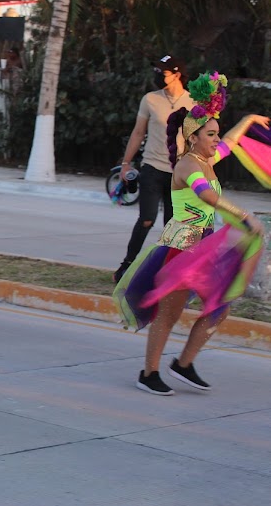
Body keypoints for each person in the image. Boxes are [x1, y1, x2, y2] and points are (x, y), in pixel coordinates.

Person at [113, 71, 268, 396]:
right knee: (169, 315)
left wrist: (249, 119)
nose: (216, 139)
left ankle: (184, 363)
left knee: (219, 307)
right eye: (210, 134)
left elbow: (232, 142)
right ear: (194, 137)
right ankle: (149, 372)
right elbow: (207, 196)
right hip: (180, 247)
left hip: (205, 246)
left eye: (216, 134)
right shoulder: (187, 165)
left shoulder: (207, 158)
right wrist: (243, 216)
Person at [112, 55, 195, 282]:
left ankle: (166, 272)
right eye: (157, 71)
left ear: (177, 75)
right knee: (147, 219)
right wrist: (126, 163)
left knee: (172, 226)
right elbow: (138, 133)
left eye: (163, 72)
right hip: (152, 168)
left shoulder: (193, 103)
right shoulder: (150, 99)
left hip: (179, 175)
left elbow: (198, 141)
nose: (158, 76)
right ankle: (127, 264)